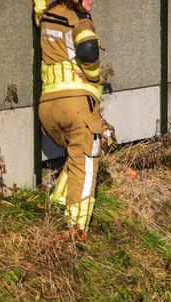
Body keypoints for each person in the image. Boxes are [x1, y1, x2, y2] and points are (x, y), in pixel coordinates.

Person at [35, 0, 114, 241]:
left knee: (76, 155)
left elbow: (39, 5)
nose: (92, 1)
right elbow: (88, 49)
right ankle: (75, 231)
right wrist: (93, 78)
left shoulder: (46, 14)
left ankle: (57, 204)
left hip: (48, 107)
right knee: (87, 164)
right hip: (76, 105)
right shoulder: (79, 20)